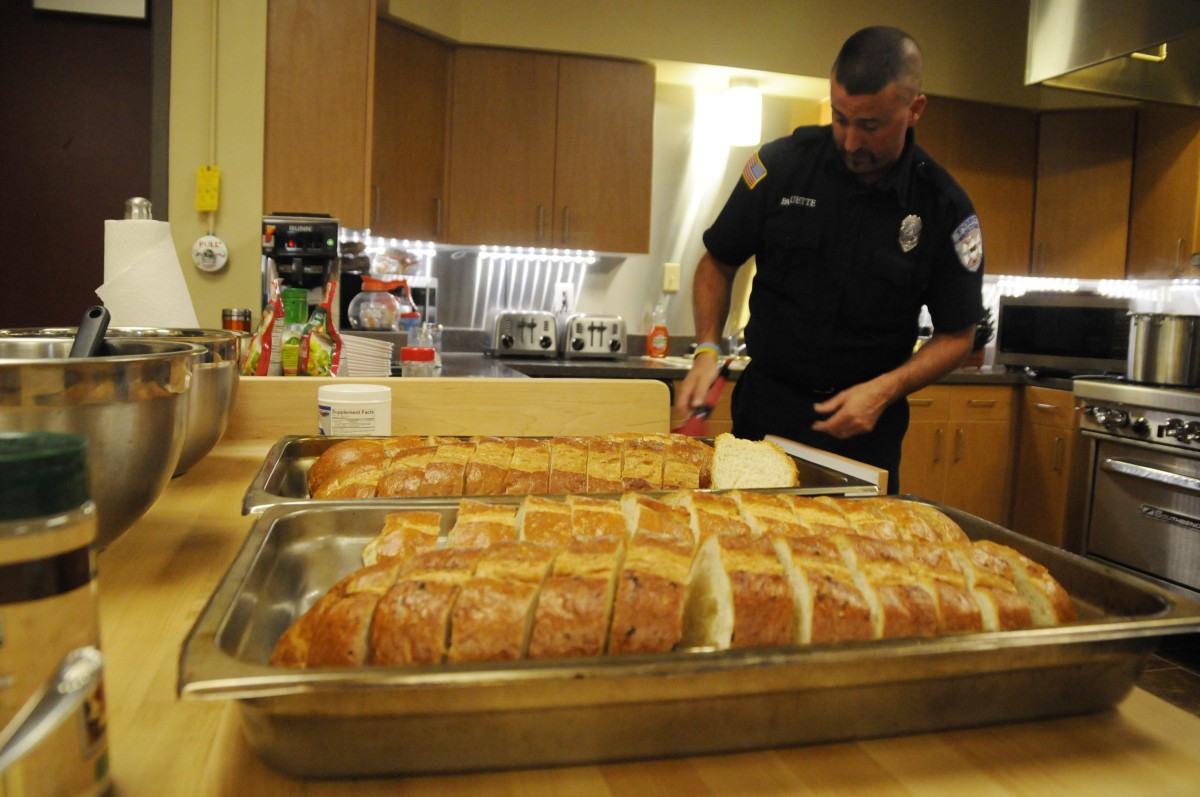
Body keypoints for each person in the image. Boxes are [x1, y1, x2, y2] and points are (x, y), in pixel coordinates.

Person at [675, 25, 985, 494]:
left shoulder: (944, 207)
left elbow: (958, 335)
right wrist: (706, 350)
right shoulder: (781, 167)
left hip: (864, 429)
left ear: (914, 109)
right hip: (766, 412)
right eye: (841, 118)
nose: (851, 141)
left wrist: (885, 390)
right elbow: (717, 261)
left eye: (871, 126)